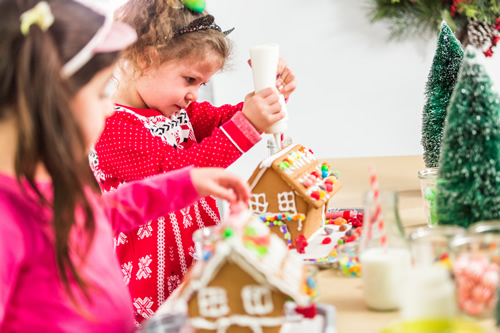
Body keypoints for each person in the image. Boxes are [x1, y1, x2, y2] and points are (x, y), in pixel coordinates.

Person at [0, 1, 250, 332]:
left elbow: (99, 218)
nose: (108, 108)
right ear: (51, 97)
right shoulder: (6, 220)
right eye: (101, 92)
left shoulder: (51, 183)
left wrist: (186, 183)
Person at [90, 0, 297, 325]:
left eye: (202, 84)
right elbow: (175, 174)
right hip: (151, 282)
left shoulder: (176, 111)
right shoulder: (112, 128)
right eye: (189, 80)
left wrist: (266, 101)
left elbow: (223, 120)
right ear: (145, 57)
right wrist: (250, 123)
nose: (195, 96)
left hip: (194, 260)